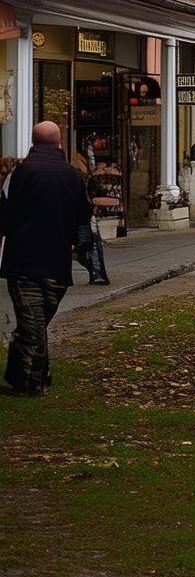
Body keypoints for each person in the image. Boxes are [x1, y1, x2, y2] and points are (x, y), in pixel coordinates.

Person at [0, 121, 92, 395]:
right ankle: (26, 376)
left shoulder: (20, 174)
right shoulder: (73, 176)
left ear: (32, 141)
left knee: (32, 326)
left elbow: (4, 215)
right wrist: (82, 249)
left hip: (23, 262)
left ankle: (32, 382)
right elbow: (83, 218)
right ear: (59, 142)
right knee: (36, 324)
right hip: (57, 264)